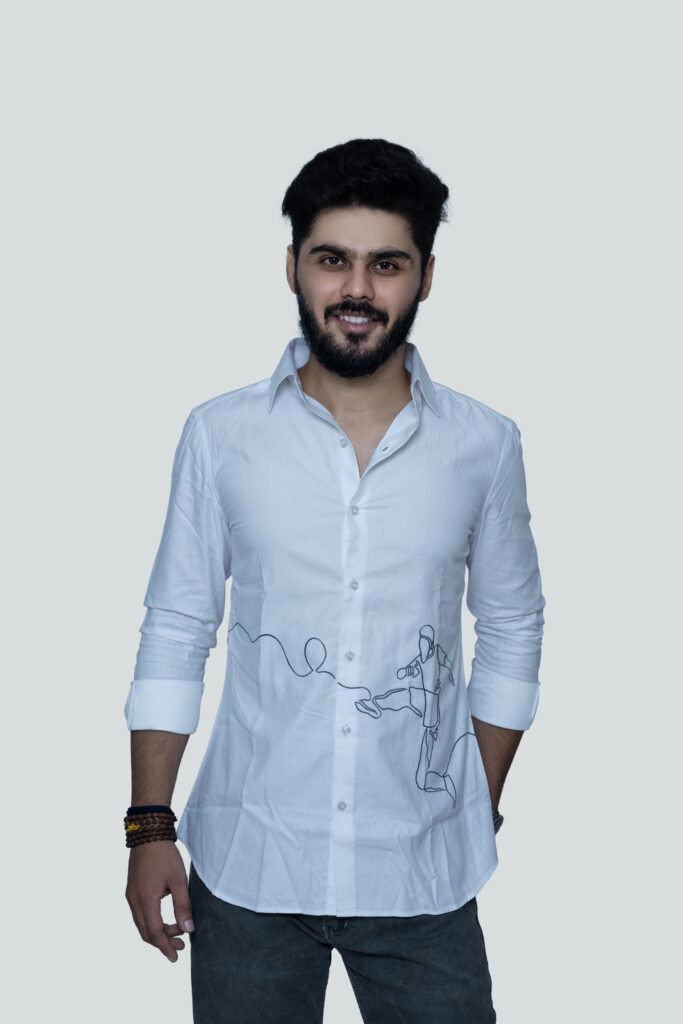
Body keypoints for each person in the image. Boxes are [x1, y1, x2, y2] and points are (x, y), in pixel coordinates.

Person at [124, 138, 546, 1024]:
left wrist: (474, 802)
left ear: (425, 277)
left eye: (385, 264)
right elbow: (176, 626)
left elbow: (511, 625)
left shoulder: (484, 444)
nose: (356, 289)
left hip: (423, 874)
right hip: (249, 866)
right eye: (332, 260)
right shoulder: (220, 436)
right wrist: (149, 826)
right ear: (292, 266)